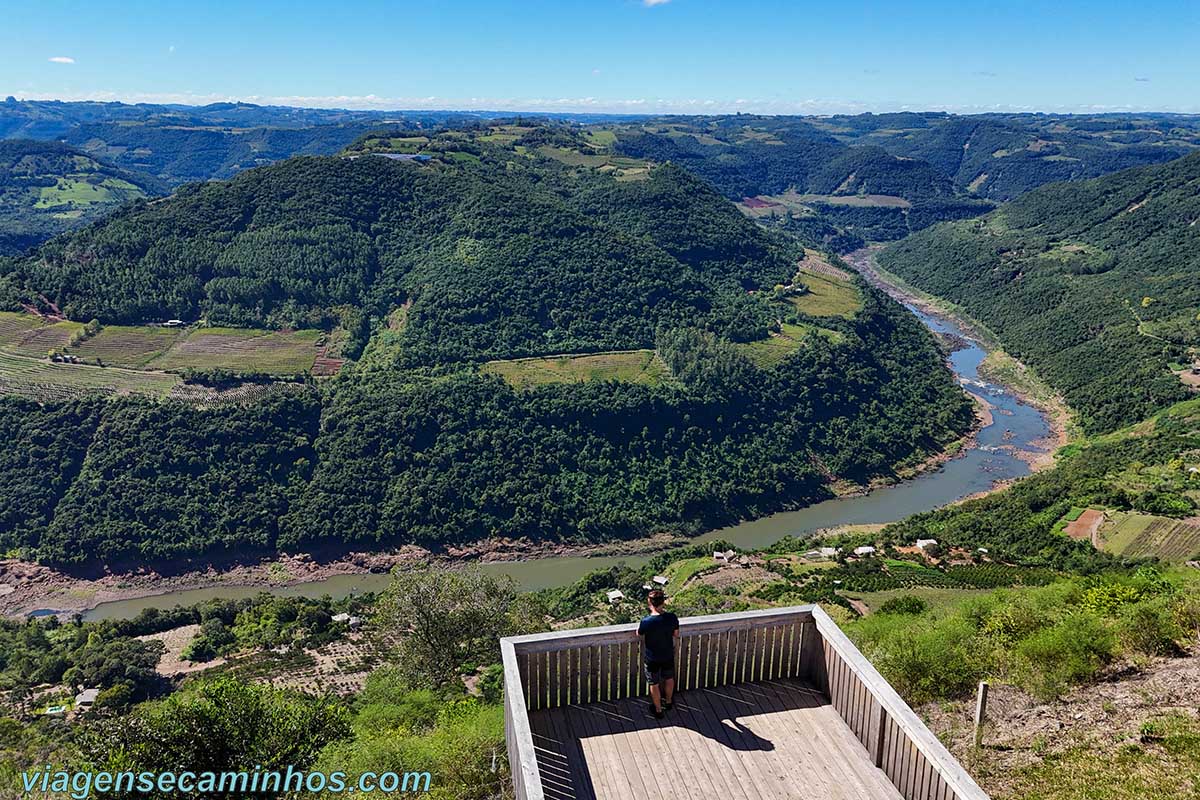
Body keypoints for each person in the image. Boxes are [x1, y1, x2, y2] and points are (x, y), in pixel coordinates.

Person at [637, 589, 680, 719]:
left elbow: (639, 633)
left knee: (653, 683)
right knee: (669, 678)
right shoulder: (671, 617)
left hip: (652, 658)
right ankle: (668, 702)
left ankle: (658, 710)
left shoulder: (646, 621)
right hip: (667, 654)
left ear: (649, 602)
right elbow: (676, 634)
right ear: (663, 602)